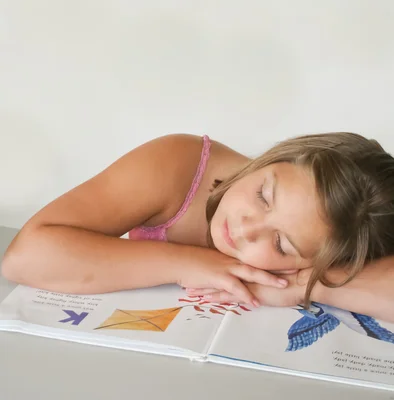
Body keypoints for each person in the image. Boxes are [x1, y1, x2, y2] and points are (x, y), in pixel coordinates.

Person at [2, 132, 394, 321]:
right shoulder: (177, 166)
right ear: (278, 158)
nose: (246, 227)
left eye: (280, 243)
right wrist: (191, 263)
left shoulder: (329, 249)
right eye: (263, 196)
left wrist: (298, 285)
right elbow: (24, 258)